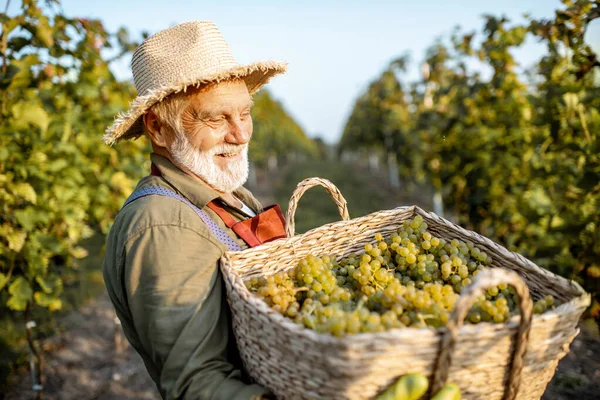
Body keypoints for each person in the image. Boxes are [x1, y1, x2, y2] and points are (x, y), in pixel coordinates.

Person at [103, 20, 459, 400]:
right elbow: (196, 384)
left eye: (244, 113)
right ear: (158, 128)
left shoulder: (222, 195)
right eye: (217, 117)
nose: (240, 134)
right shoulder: (165, 225)